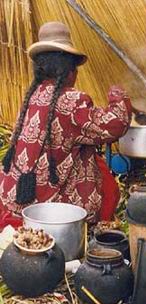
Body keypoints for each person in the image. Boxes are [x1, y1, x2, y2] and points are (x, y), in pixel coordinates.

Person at [0, 22, 132, 224]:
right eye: (75, 69)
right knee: (101, 174)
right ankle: (92, 223)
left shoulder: (31, 97)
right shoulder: (73, 101)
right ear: (69, 71)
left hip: (12, 197)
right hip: (46, 207)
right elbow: (114, 125)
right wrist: (118, 96)